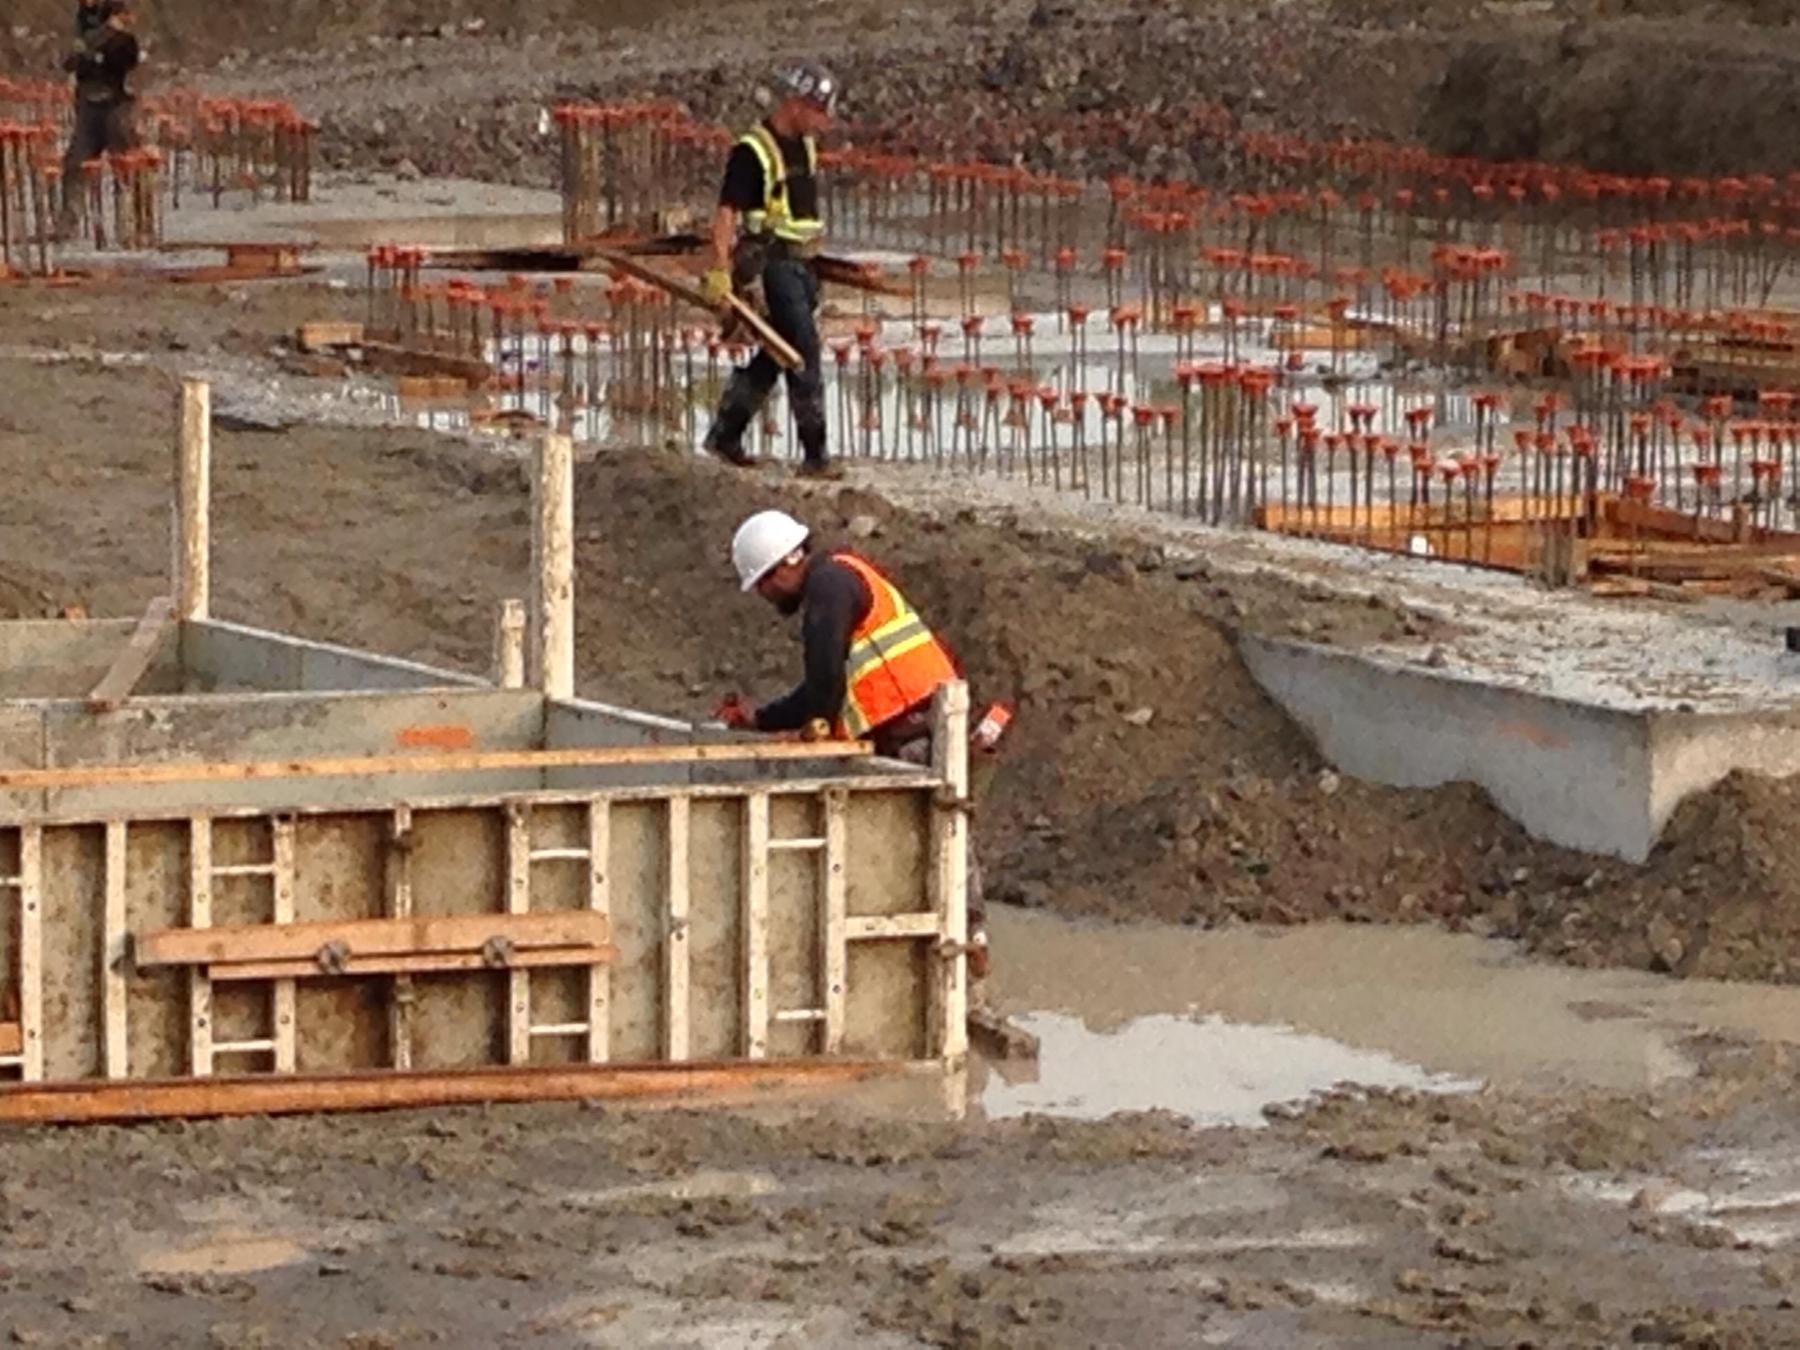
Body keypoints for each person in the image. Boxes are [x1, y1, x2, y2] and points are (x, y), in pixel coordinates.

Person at [721, 509, 989, 975]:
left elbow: (824, 685)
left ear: (783, 566)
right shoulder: (841, 579)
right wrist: (763, 719)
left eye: (763, 585)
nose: (766, 597)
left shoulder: (829, 587)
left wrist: (810, 729)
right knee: (931, 845)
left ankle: (966, 942)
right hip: (911, 729)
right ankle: (962, 943)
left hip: (915, 732)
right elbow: (820, 689)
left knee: (937, 843)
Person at [700, 63, 840, 478]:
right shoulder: (753, 151)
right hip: (773, 268)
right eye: (819, 112)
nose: (824, 123)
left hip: (804, 267)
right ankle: (815, 455)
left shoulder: (805, 147)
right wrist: (720, 272)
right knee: (802, 354)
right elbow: (726, 214)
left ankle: (725, 435)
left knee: (775, 353)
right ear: (796, 104)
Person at [58, 0, 140, 237]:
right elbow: (70, 64)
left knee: (126, 167)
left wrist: (95, 52)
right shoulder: (86, 35)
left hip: (116, 107)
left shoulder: (124, 41)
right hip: (89, 110)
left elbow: (124, 62)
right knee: (74, 164)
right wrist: (88, 54)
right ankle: (69, 222)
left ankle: (132, 222)